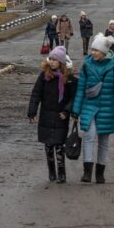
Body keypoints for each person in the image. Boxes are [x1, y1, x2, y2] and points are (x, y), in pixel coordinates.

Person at [71, 34, 114, 184]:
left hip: (107, 108)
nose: (93, 53)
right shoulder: (86, 66)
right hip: (89, 106)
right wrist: (75, 111)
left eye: (96, 50)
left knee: (104, 140)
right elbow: (80, 90)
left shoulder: (113, 67)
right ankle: (87, 172)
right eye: (92, 50)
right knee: (89, 135)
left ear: (104, 52)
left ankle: (100, 173)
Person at [28, 46, 76, 183]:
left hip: (61, 116)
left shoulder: (68, 78)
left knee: (59, 145)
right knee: (48, 145)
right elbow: (36, 94)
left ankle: (62, 172)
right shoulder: (44, 76)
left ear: (61, 62)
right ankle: (51, 171)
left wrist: (67, 111)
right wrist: (32, 111)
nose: (52, 62)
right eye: (50, 59)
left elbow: (74, 97)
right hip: (46, 115)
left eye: (55, 59)